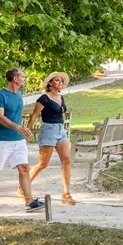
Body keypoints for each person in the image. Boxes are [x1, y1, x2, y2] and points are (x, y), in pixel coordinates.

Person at [0, 68, 45, 212]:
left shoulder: (19, 95)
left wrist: (22, 130)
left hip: (18, 140)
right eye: (22, 77)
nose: (24, 79)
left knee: (24, 168)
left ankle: (29, 202)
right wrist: (17, 127)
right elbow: (0, 117)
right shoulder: (0, 96)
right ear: (15, 78)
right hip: (2, 140)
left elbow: (16, 116)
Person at [25, 72, 76, 205]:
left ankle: (66, 194)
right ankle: (23, 186)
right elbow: (34, 115)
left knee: (66, 160)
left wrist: (61, 128)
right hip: (48, 130)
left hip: (60, 130)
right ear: (50, 83)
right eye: (57, 81)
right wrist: (26, 130)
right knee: (43, 164)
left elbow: (61, 114)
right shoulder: (44, 98)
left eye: (61, 81)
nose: (60, 83)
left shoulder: (61, 97)